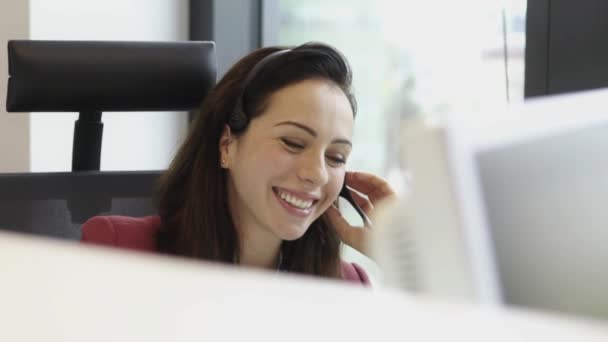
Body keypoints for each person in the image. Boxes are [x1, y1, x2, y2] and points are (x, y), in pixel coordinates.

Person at [82, 42, 396, 285]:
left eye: (336, 157)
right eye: (293, 143)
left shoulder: (346, 286)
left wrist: (401, 258)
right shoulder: (120, 253)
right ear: (226, 145)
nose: (316, 173)